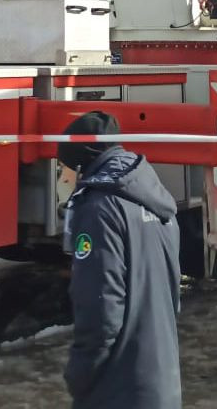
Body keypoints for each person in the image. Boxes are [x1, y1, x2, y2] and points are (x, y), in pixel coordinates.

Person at [58, 111, 181, 409]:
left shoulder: (98, 209)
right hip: (162, 385)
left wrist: (79, 375)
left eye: (61, 169)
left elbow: (102, 307)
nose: (62, 179)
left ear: (78, 165)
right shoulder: (155, 198)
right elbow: (173, 296)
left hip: (118, 390)